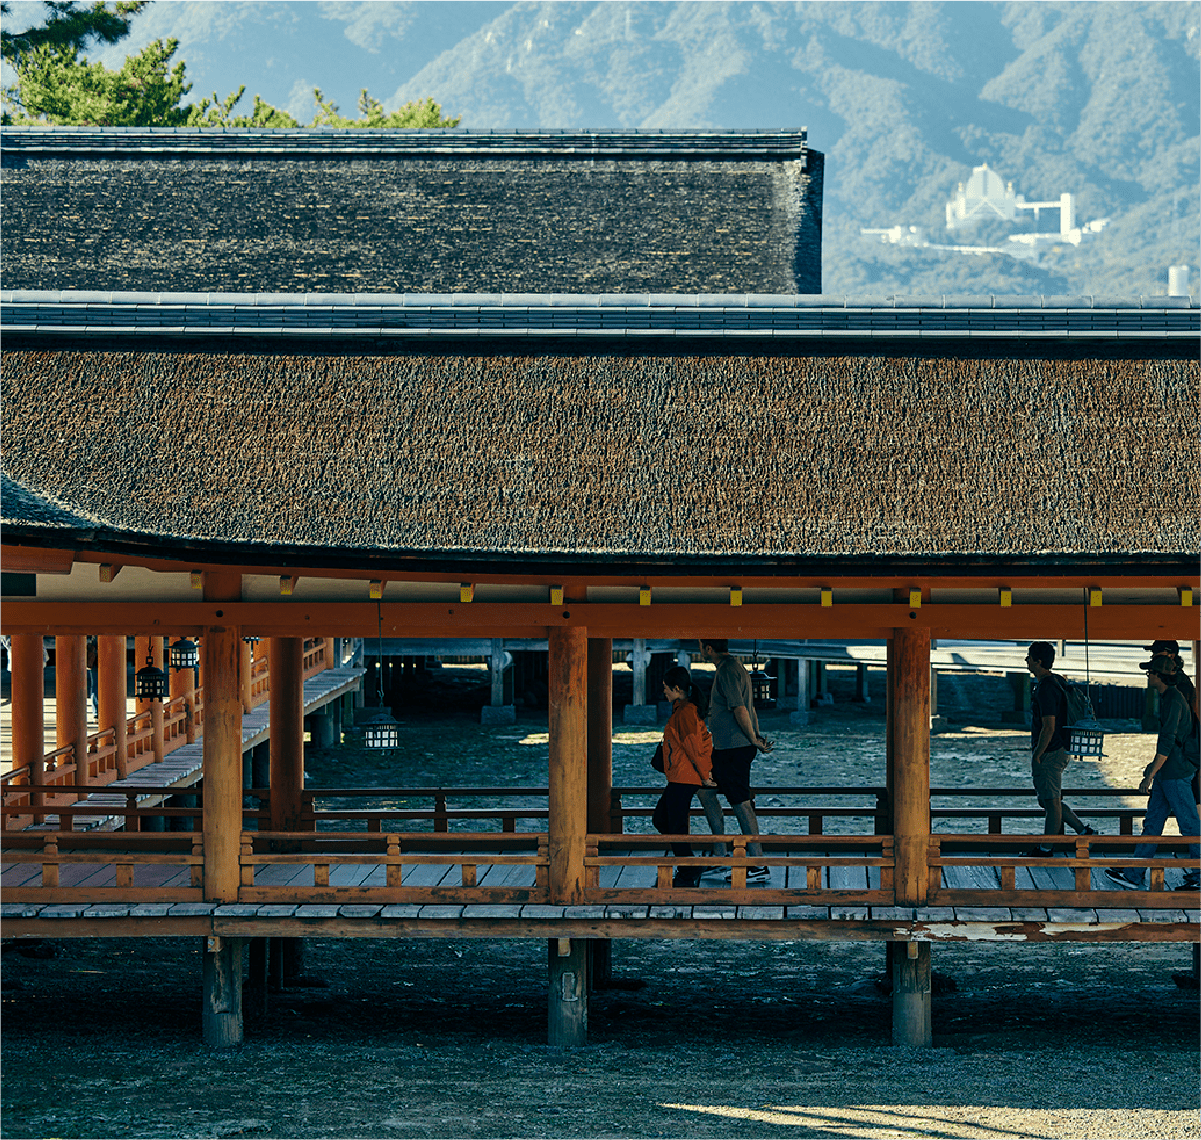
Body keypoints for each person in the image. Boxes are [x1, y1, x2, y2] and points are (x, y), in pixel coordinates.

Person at [1106, 654, 1201, 891]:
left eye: (1150, 672)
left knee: (1189, 824)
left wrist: (1149, 774)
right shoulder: (1169, 697)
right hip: (1167, 773)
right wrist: (1154, 771)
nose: (1147, 675)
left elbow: (1167, 742)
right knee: (1153, 824)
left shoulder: (1173, 700)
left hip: (1175, 773)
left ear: (1159, 676)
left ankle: (1200, 873)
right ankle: (1134, 874)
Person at [694, 638, 774, 884]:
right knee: (705, 790)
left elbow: (741, 708)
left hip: (733, 748)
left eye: (700, 646)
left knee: (740, 802)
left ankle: (757, 864)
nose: (700, 650)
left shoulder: (728, 670)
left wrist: (753, 739)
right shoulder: (735, 667)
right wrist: (757, 737)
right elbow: (752, 708)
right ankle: (720, 854)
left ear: (708, 648)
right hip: (728, 747)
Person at [1024, 641, 1095, 855]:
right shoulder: (1057, 682)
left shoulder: (1046, 688)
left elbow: (1048, 726)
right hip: (1061, 748)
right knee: (1048, 800)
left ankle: (1046, 847)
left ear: (1038, 661)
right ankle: (1082, 831)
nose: (1026, 660)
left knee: (1051, 803)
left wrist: (1038, 753)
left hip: (1050, 751)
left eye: (1029, 657)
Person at [652, 666, 716, 888]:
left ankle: (687, 871)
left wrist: (704, 776)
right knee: (663, 820)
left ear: (677, 688)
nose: (664, 693)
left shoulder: (686, 712)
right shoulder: (683, 709)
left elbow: (693, 747)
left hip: (684, 777)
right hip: (680, 776)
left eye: (666, 689)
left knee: (673, 824)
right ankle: (689, 867)